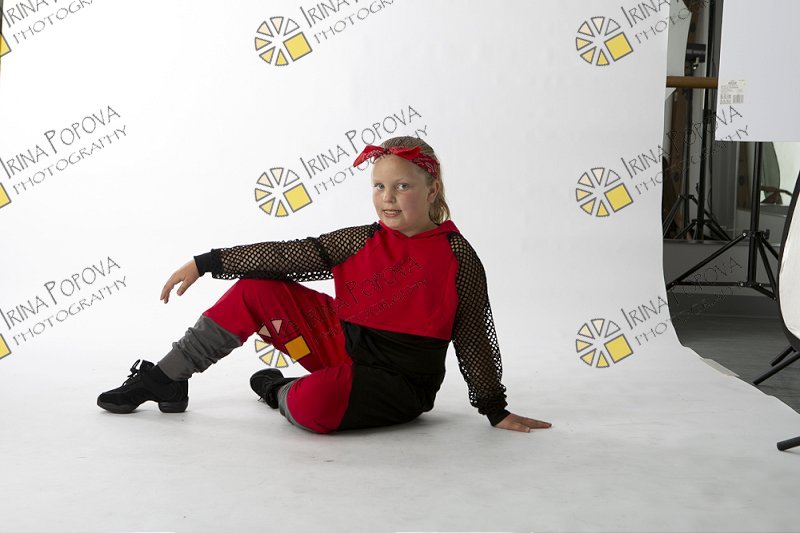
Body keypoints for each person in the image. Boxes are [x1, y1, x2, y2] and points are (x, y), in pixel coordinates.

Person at [96, 136, 552, 434]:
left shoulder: (457, 256)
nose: (387, 198)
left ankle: (279, 390)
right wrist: (207, 262)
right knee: (257, 288)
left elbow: (473, 335)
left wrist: (494, 408)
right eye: (378, 187)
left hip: (398, 382)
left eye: (402, 187)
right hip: (342, 343)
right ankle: (166, 379)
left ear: (432, 190)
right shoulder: (362, 239)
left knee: (315, 407)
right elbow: (287, 255)